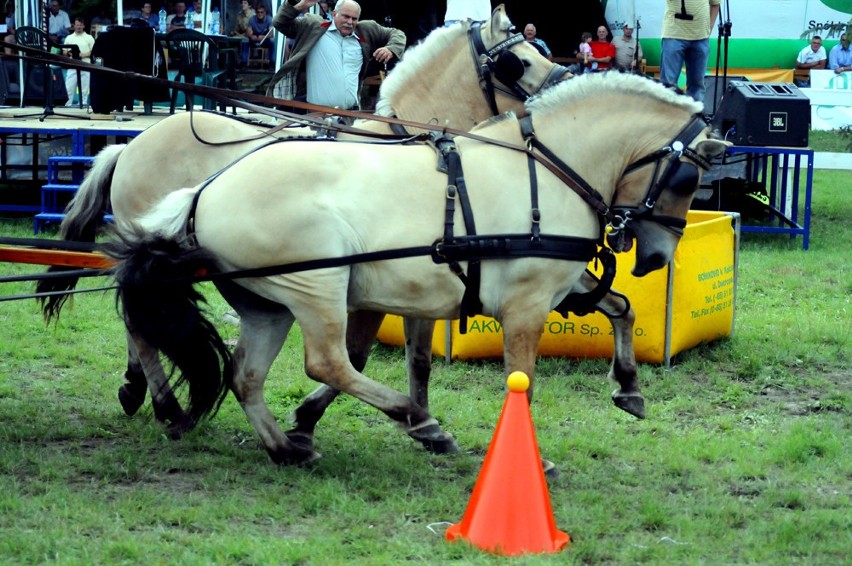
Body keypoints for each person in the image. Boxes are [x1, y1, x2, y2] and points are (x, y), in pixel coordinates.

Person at [268, 0, 406, 110]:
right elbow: (280, 23)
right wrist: (296, 6)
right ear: (334, 14)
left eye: (354, 18)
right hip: (314, 115)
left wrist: (391, 48)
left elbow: (397, 34)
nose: (350, 22)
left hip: (350, 117)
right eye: (346, 16)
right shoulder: (314, 26)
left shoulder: (365, 31)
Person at [660, 0, 720, 103]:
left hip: (701, 37)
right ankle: (666, 116)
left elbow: (715, 4)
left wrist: (708, 29)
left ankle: (695, 116)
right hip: (674, 35)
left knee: (697, 84)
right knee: (668, 83)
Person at [63, 17, 94, 107]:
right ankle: (67, 104)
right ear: (74, 26)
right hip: (72, 64)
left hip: (85, 65)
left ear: (83, 26)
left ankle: (83, 104)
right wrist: (69, 53)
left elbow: (94, 51)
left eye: (80, 25)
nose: (79, 27)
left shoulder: (89, 37)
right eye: (77, 25)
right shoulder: (69, 37)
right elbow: (64, 51)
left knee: (85, 87)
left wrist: (83, 55)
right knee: (69, 86)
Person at [243, 5, 274, 69]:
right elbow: (248, 32)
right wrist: (251, 36)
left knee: (273, 41)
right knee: (245, 40)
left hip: (265, 40)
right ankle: (244, 62)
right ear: (256, 13)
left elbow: (272, 33)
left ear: (265, 13)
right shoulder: (252, 19)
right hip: (254, 39)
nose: (260, 14)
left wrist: (264, 37)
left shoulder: (269, 19)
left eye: (262, 12)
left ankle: (272, 63)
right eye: (258, 12)